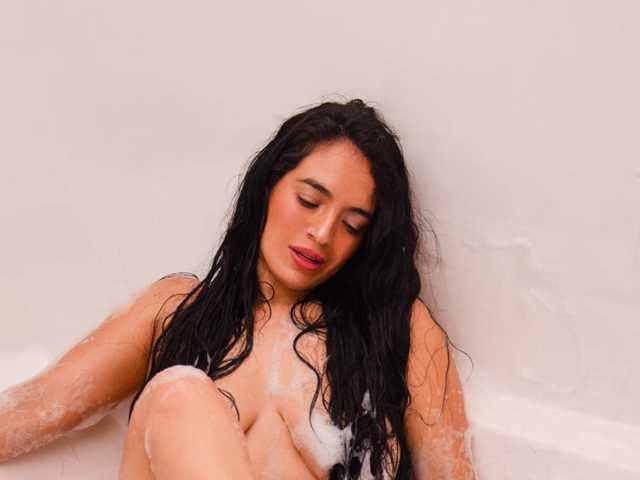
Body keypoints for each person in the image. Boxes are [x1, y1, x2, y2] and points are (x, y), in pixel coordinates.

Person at [0, 98, 476, 479]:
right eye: (309, 200)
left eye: (352, 225)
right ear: (268, 187)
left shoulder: (397, 328)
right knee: (181, 397)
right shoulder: (175, 310)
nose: (322, 233)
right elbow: (33, 410)